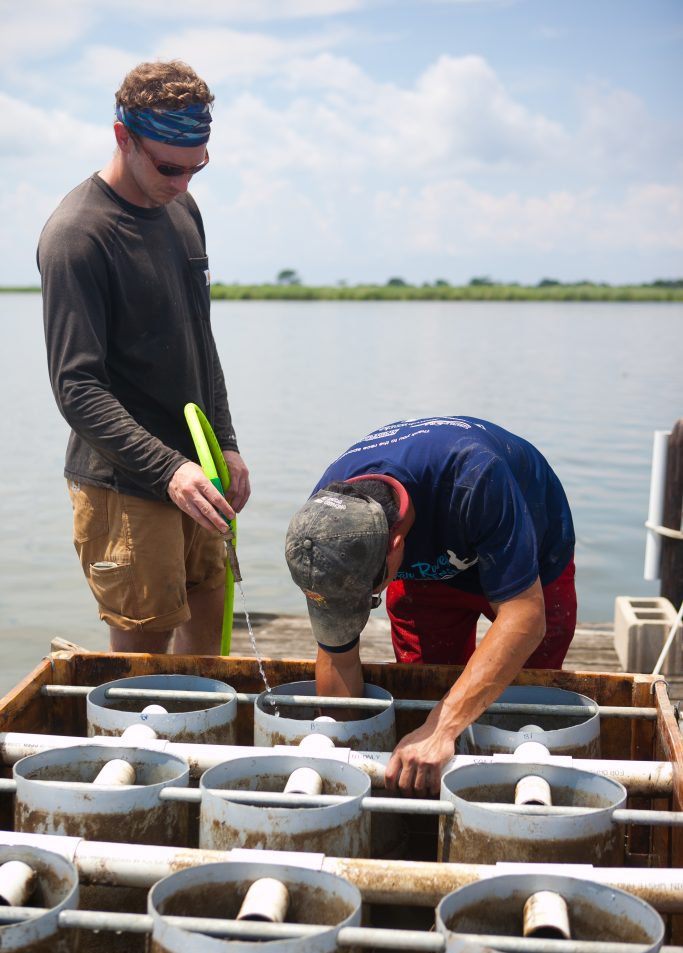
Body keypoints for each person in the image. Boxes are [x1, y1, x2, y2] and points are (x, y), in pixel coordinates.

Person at [38, 60, 250, 655]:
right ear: (123, 137)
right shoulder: (78, 235)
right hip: (127, 484)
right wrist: (169, 471)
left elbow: (200, 338)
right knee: (143, 671)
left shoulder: (183, 210)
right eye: (168, 168)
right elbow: (77, 388)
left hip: (199, 471)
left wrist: (226, 443)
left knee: (208, 650)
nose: (182, 185)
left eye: (196, 168)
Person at [285, 416, 576, 796]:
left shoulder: (475, 476)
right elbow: (337, 655)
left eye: (368, 596)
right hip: (430, 571)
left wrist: (440, 729)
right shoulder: (323, 523)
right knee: (427, 689)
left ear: (395, 547)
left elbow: (526, 616)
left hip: (529, 554)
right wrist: (339, 755)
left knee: (525, 701)